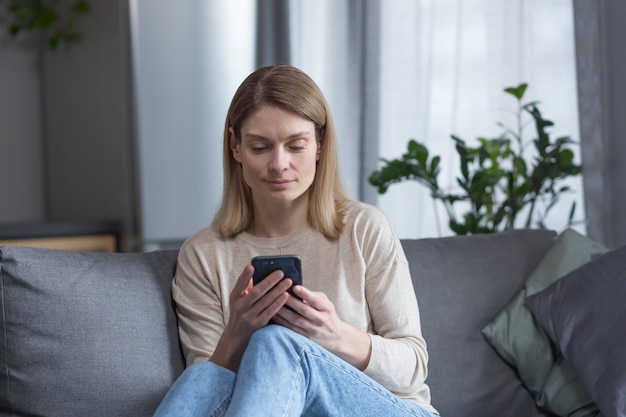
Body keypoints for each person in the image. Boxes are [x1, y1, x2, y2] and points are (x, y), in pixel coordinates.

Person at [153, 64, 439, 417]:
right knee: (201, 378)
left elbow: (413, 365)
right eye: (260, 147)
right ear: (235, 147)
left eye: (296, 146)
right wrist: (236, 335)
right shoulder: (203, 255)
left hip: (388, 409)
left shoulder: (364, 228)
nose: (279, 164)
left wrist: (335, 336)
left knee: (276, 342)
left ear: (319, 145)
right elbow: (211, 396)